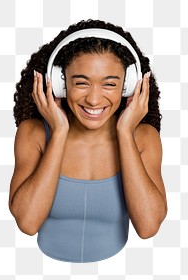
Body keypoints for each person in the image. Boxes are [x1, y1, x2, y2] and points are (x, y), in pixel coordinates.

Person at [9, 19, 167, 263]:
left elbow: (148, 228)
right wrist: (59, 132)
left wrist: (125, 132)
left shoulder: (144, 138)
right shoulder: (33, 134)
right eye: (81, 82)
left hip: (117, 269)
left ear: (128, 86)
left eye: (110, 84)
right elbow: (28, 223)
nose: (94, 100)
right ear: (60, 84)